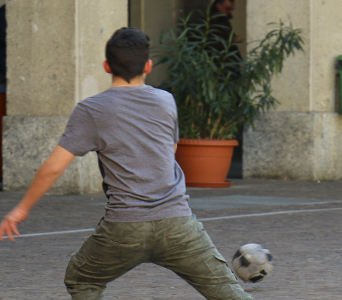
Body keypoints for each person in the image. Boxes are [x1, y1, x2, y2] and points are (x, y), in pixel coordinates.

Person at [0, 28, 253, 300]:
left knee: (81, 278)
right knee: (229, 294)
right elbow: (171, 150)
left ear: (106, 66)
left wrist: (20, 210)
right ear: (148, 65)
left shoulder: (91, 110)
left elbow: (53, 167)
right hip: (178, 224)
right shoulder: (166, 101)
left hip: (124, 228)